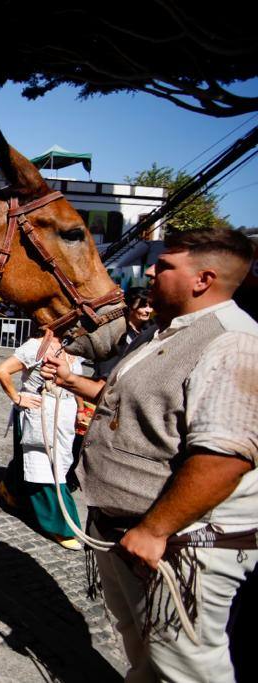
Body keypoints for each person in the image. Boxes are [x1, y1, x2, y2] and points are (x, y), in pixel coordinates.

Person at [41, 228, 257, 682]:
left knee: (186, 667)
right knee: (143, 647)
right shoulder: (169, 332)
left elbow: (225, 455)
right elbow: (135, 404)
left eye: (165, 266)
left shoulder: (232, 342)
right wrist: (70, 381)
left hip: (178, 544)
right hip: (127, 529)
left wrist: (156, 530)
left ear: (203, 279)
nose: (151, 272)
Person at [0, 332, 84, 550]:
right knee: (46, 469)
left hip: (64, 414)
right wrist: (17, 397)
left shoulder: (74, 346)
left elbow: (75, 382)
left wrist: (80, 408)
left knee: (56, 463)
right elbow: (1, 371)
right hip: (39, 413)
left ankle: (9, 487)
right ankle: (62, 525)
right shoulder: (35, 346)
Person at [95, 288, 154, 379]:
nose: (148, 310)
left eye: (150, 306)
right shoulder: (117, 330)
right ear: (130, 306)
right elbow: (106, 365)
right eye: (143, 306)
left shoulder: (152, 329)